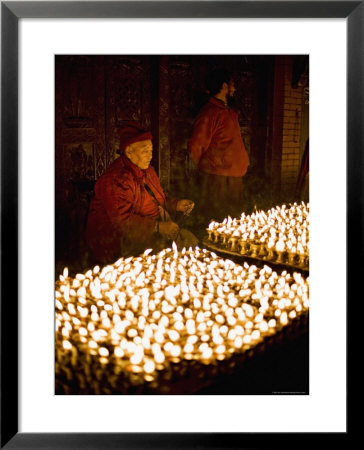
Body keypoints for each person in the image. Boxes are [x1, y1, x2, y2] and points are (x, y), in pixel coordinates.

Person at [85, 122, 197, 265]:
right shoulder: (116, 179)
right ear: (129, 152)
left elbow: (158, 198)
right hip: (118, 244)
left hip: (151, 235)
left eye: (151, 150)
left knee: (190, 246)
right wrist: (158, 227)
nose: (150, 156)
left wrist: (176, 205)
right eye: (145, 151)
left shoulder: (147, 170)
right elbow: (123, 222)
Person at [188, 69, 250, 224]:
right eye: (232, 85)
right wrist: (210, 168)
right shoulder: (210, 113)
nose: (234, 89)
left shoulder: (228, 111)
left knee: (234, 222)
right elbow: (196, 146)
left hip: (234, 177)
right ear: (224, 86)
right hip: (218, 179)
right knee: (218, 221)